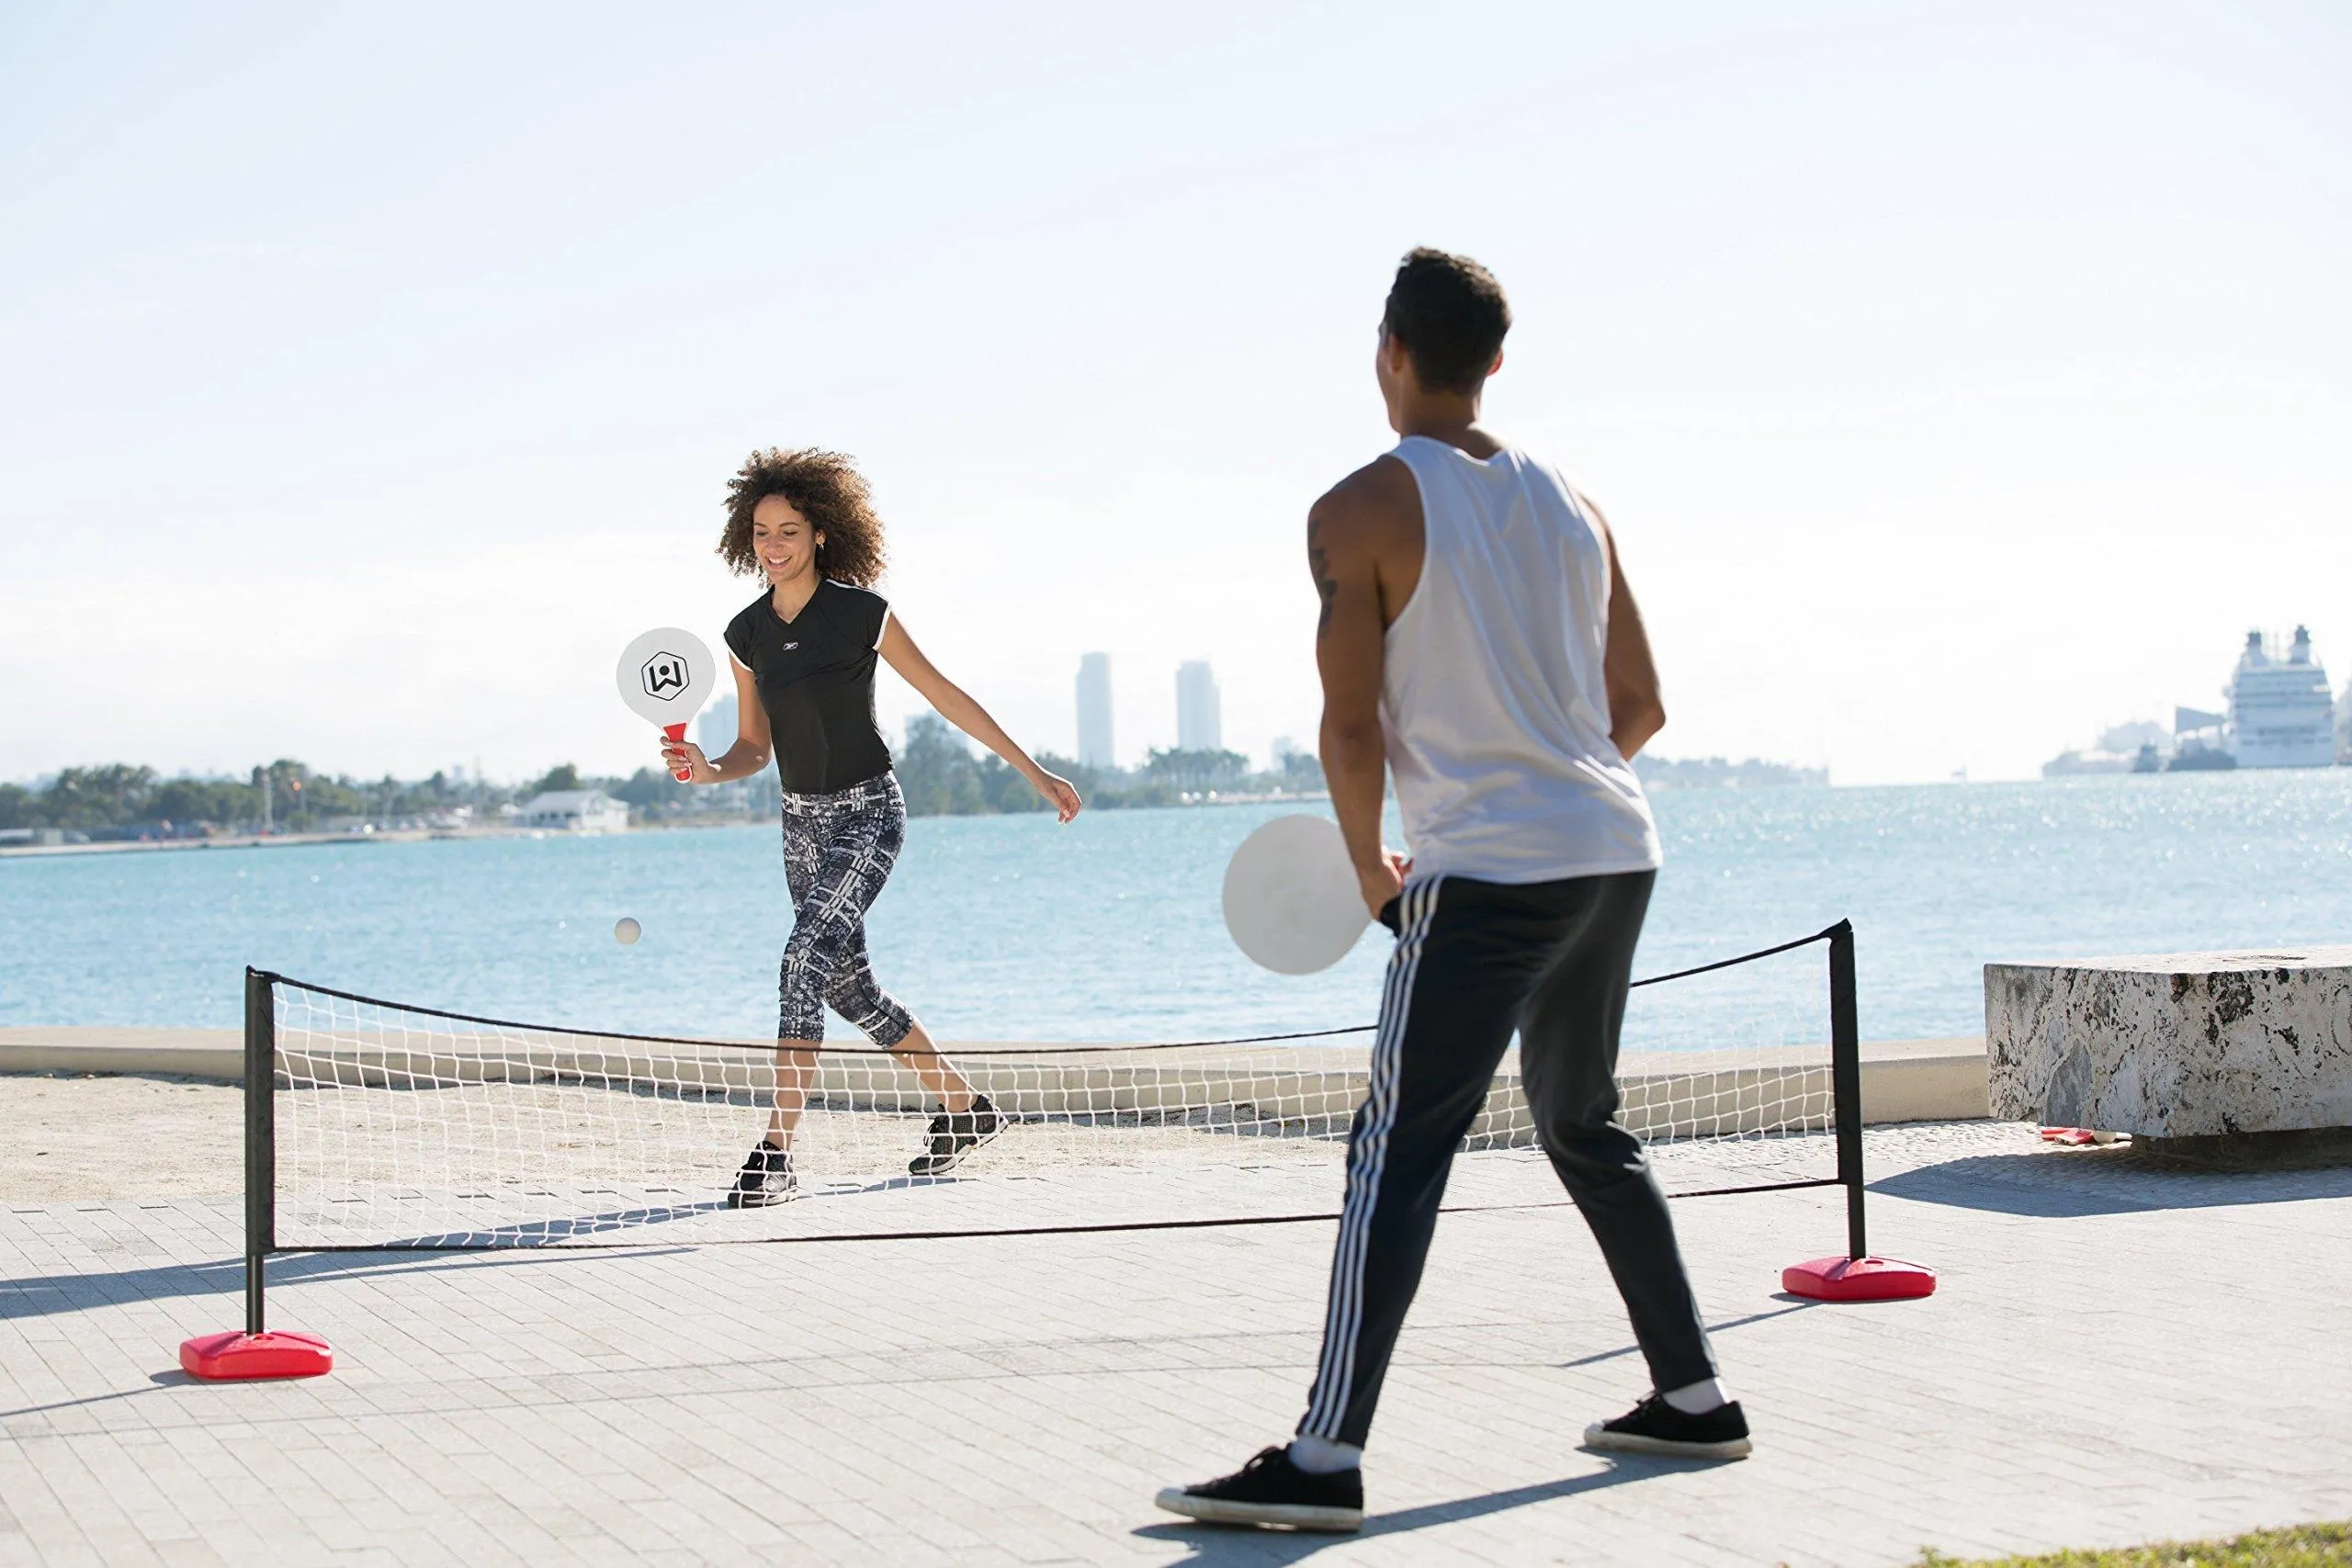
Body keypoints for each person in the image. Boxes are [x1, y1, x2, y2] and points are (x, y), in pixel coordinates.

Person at [1156, 250, 1746, 1535]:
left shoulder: (1357, 507)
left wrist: (1376, 864)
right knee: (1585, 1124)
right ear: (1492, 360)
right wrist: (1554, 791)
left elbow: (1351, 725)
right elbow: (1640, 705)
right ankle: (1693, 1393)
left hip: (1486, 872)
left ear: (1389, 353)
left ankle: (1322, 1458)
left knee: (1395, 1148)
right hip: (1614, 848)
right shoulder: (1577, 503)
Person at [662, 447, 1081, 1205]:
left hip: (868, 812)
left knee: (800, 961)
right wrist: (703, 765)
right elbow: (753, 748)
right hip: (801, 826)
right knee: (849, 989)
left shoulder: (862, 613)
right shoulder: (745, 633)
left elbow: (946, 696)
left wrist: (1033, 771)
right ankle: (965, 1107)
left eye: (789, 530)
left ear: (822, 532)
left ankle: (775, 1154)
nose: (774, 545)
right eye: (761, 532)